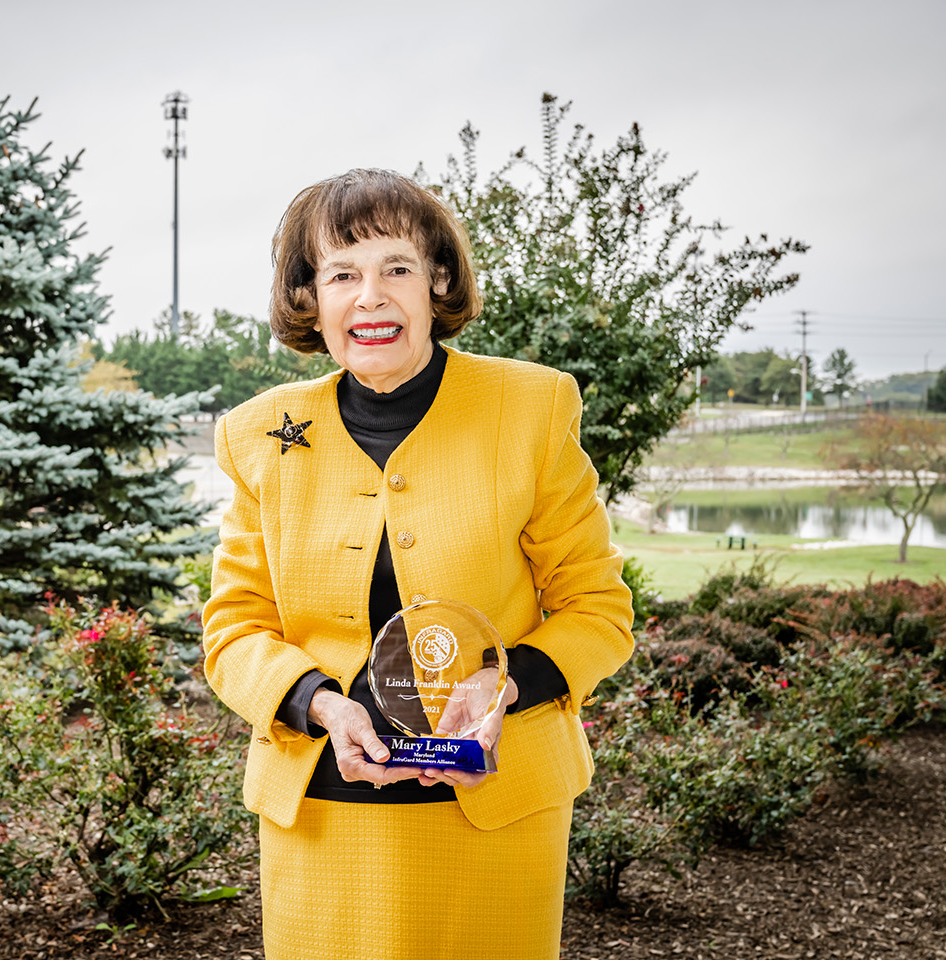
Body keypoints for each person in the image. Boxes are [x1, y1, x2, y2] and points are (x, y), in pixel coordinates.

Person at [202, 168, 634, 960]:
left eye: (396, 268)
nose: (370, 297)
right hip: (323, 816)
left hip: (494, 813)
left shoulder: (532, 410)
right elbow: (234, 631)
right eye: (342, 274)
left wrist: (503, 684)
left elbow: (598, 608)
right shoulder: (260, 434)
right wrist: (322, 708)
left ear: (437, 281)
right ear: (310, 299)